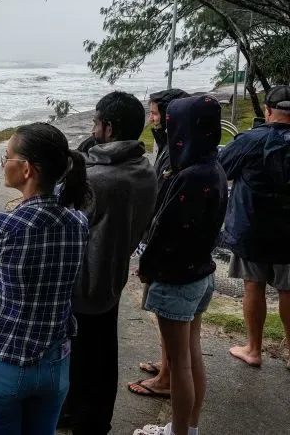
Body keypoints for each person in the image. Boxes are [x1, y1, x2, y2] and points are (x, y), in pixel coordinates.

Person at [0, 122, 90, 435]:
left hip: (4, 363)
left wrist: (1, 269)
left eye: (6, 157)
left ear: (27, 170)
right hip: (55, 363)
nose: (2, 164)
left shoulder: (3, 226)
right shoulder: (77, 221)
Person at [63, 91, 158, 435]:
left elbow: (65, 210)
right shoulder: (142, 169)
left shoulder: (100, 180)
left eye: (95, 122)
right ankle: (89, 416)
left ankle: (84, 419)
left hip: (84, 281)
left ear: (108, 127)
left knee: (81, 357)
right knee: (102, 353)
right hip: (112, 277)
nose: (91, 127)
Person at [134, 96, 228, 435]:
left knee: (180, 364)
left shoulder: (190, 176)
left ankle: (178, 432)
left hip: (176, 279)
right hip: (201, 273)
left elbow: (165, 231)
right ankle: (190, 427)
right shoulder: (213, 166)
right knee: (192, 356)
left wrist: (146, 266)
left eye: (171, 124)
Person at [219, 85, 290, 369]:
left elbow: (222, 169)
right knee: (288, 290)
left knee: (254, 286)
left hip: (252, 228)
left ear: (269, 111)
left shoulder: (250, 140)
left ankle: (253, 349)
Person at [129, 88, 189, 400]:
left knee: (167, 312)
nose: (150, 120)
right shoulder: (174, 146)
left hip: (166, 251)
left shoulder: (178, 155)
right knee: (165, 315)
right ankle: (166, 364)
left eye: (154, 114)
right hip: (165, 247)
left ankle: (167, 377)